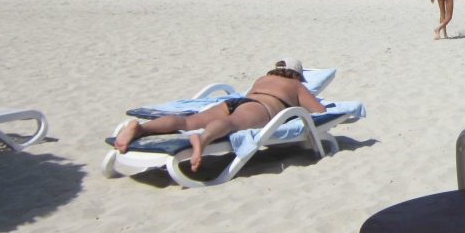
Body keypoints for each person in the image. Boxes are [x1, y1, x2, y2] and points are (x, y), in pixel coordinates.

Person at [113, 59, 323, 171]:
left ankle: (142, 127)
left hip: (234, 102)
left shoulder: (262, 79)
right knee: (231, 123)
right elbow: (318, 111)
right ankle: (203, 138)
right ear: (297, 75)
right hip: (260, 106)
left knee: (187, 121)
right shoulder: (296, 85)